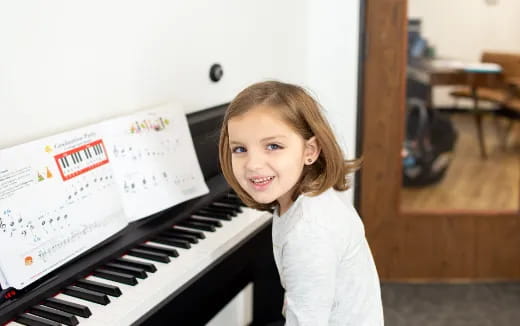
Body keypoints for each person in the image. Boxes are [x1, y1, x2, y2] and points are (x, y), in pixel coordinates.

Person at [218, 81, 384, 325]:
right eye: (240, 149)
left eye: (273, 146)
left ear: (310, 150)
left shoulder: (309, 231)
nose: (253, 164)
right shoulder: (307, 195)